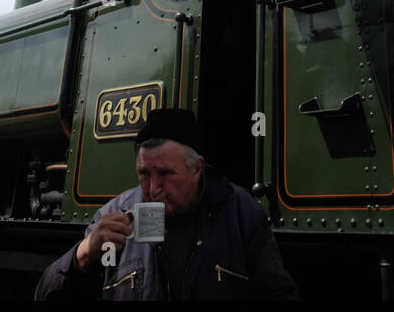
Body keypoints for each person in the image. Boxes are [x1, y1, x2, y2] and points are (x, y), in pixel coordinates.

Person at [35, 109, 299, 300]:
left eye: (165, 174)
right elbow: (44, 292)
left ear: (196, 170)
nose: (152, 189)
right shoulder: (115, 214)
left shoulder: (242, 213)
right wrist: (82, 255)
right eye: (144, 174)